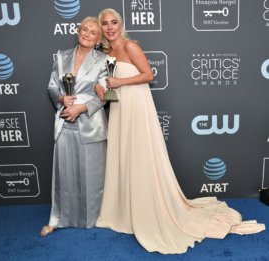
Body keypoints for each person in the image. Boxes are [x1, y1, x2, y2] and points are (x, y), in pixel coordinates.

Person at [95, 8, 265, 254]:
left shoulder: (130, 46)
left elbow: (148, 75)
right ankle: (127, 211)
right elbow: (106, 83)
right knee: (124, 157)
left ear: (120, 25)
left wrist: (120, 82)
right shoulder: (106, 51)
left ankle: (150, 210)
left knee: (141, 157)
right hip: (120, 110)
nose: (110, 27)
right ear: (101, 28)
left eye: (114, 22)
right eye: (105, 24)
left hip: (137, 108)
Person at [40, 16, 108, 236]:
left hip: (90, 122)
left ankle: (93, 218)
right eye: (84, 30)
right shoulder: (62, 57)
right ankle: (58, 218)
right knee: (64, 173)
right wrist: (61, 99)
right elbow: (52, 85)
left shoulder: (103, 60)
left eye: (93, 33)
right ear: (78, 31)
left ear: (98, 39)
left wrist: (81, 108)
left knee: (92, 175)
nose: (87, 34)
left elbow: (105, 95)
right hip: (64, 121)